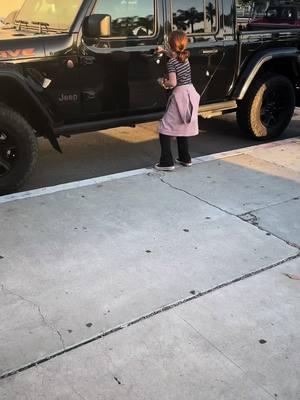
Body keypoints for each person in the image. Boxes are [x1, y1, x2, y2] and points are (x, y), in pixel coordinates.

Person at [155, 30, 200, 171]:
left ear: (170, 43)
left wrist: (162, 81)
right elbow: (173, 55)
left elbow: (173, 83)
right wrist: (164, 51)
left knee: (164, 128)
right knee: (182, 125)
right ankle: (185, 158)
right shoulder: (184, 57)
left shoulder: (172, 63)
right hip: (190, 92)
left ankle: (166, 162)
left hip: (179, 94)